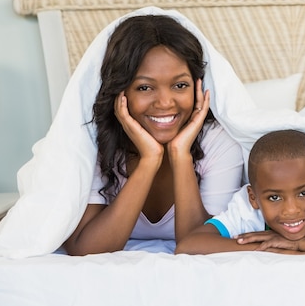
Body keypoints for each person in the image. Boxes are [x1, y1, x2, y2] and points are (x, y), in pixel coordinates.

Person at [63, 15, 244, 255]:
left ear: (198, 87)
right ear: (120, 91)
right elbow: (84, 248)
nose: (165, 103)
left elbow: (196, 246)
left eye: (180, 85)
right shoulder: (95, 140)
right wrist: (149, 160)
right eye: (145, 87)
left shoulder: (218, 142)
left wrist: (181, 156)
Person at [175, 129, 305, 255]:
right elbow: (188, 246)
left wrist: (296, 244)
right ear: (253, 198)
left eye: (304, 193)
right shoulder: (245, 209)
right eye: (274, 197)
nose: (291, 210)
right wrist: (265, 246)